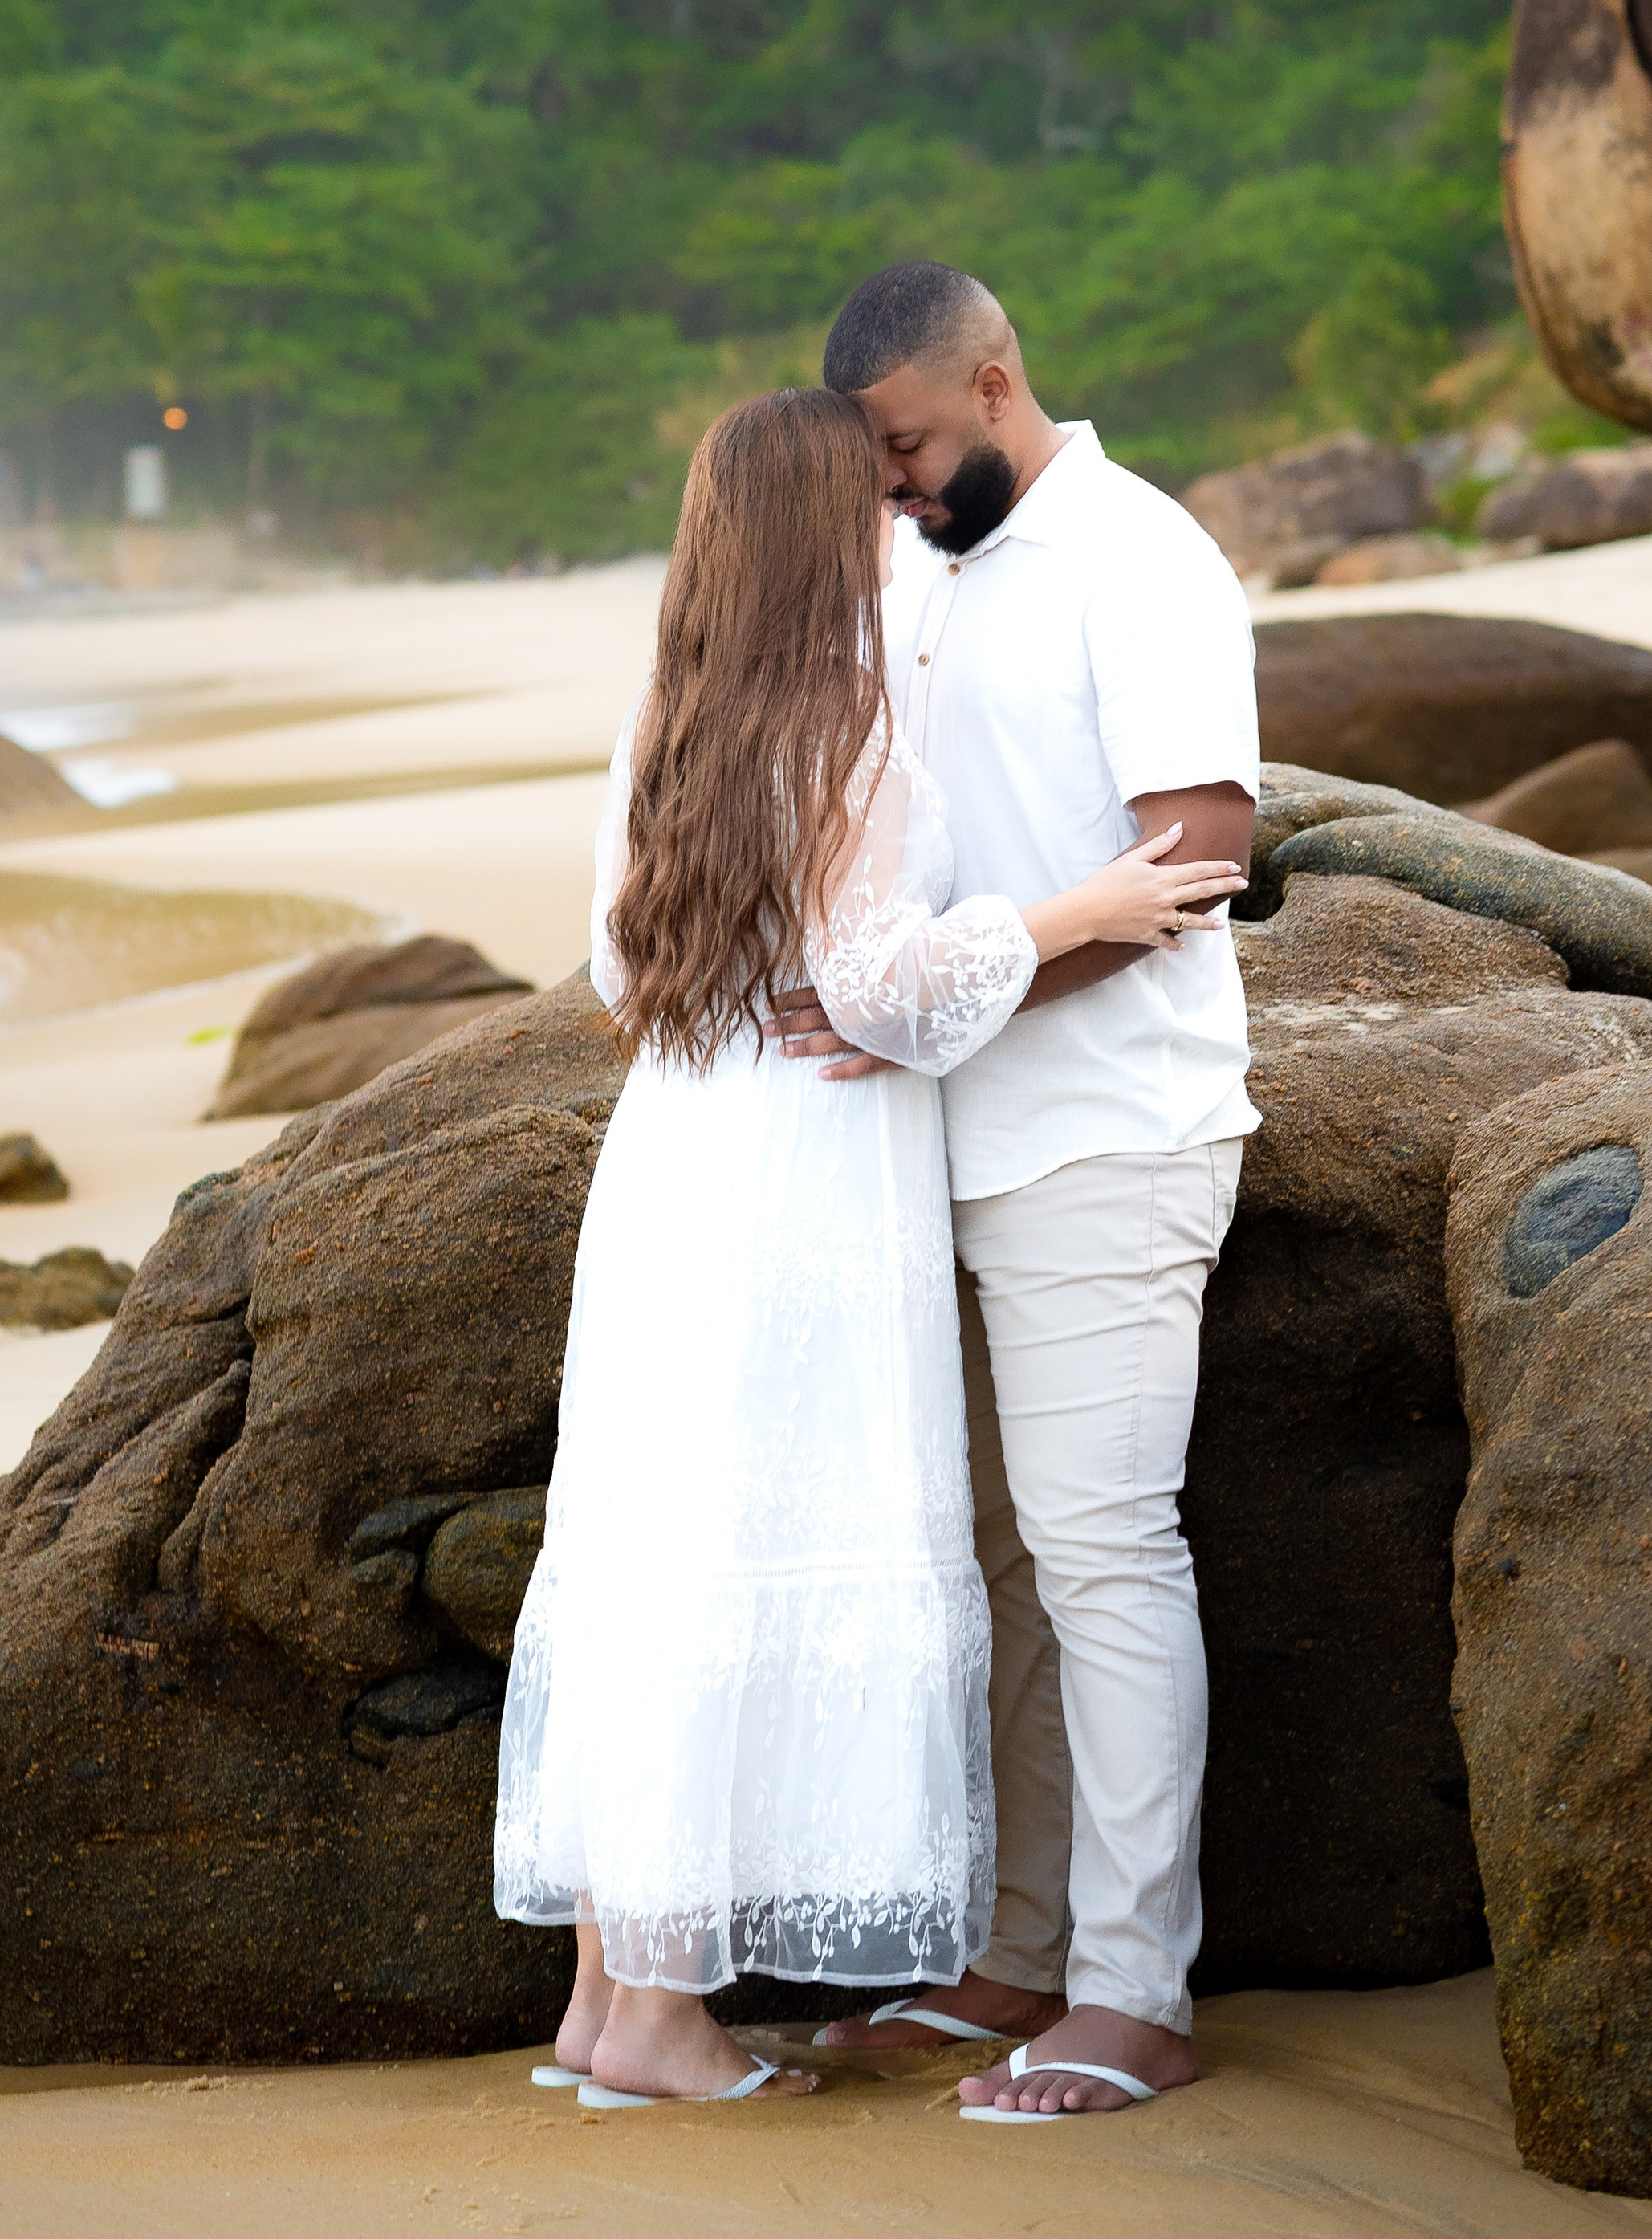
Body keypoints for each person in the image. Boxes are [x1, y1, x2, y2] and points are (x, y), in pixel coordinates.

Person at [492, 385, 1245, 2111]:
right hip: (806, 1179)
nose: (896, 513)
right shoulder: (842, 715)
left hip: (674, 1160)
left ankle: (613, 2006)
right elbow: (880, 991)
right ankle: (667, 2024)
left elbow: (622, 977)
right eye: (868, 491)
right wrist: (1079, 908)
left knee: (653, 1563)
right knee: (758, 1562)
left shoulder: (665, 717)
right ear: (820, 530)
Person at [786, 262, 1260, 2122]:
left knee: (1101, 1550)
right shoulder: (915, 569)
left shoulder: (1139, 558)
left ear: (991, 383)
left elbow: (1198, 854)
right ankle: (1013, 1948)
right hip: (926, 1151)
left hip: (1108, 1135)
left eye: (905, 444)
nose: (891, 485)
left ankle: (1135, 1992)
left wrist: (940, 997)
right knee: (986, 1571)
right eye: (869, 462)